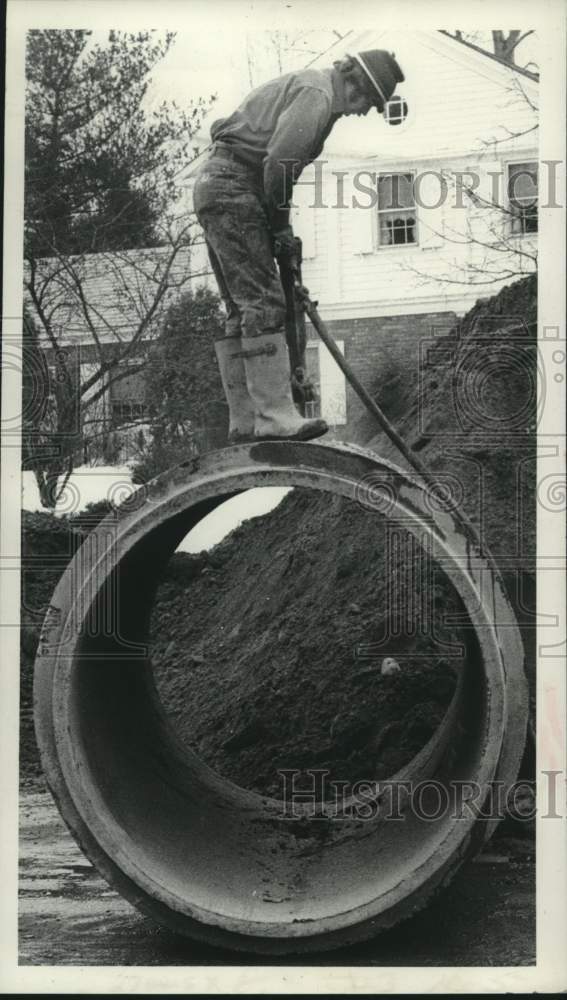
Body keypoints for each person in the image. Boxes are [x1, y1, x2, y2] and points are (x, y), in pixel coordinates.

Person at [193, 49, 405, 443]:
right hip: (234, 186)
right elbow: (278, 163)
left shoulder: (313, 90)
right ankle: (273, 416)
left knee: (243, 308)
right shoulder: (317, 95)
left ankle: (246, 419)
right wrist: (279, 227)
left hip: (218, 185)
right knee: (263, 303)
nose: (362, 112)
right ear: (354, 82)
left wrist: (277, 229)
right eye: (367, 103)